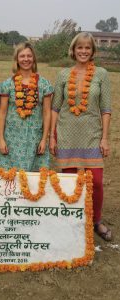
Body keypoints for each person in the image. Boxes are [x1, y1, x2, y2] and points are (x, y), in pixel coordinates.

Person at [49, 32, 112, 241]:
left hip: (93, 135)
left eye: (87, 48)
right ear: (73, 50)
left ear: (92, 51)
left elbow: (106, 109)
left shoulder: (101, 74)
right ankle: (71, 220)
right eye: (80, 48)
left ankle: (96, 220)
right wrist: (52, 137)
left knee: (96, 181)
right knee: (70, 181)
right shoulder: (63, 75)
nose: (83, 51)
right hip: (66, 134)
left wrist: (104, 138)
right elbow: (55, 108)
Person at [0, 42, 53, 171]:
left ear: (33, 59)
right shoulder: (7, 85)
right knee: (10, 181)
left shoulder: (44, 84)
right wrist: (1, 139)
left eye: (29, 56)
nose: (26, 59)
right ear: (16, 59)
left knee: (33, 182)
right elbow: (2, 112)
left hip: (35, 138)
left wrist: (44, 139)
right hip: (11, 139)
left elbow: (46, 113)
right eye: (22, 56)